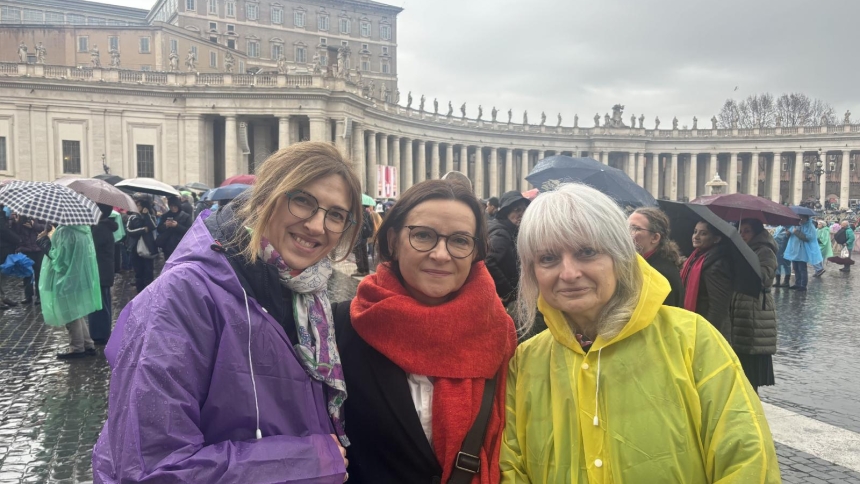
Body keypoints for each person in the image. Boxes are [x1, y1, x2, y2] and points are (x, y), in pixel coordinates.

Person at [93, 142, 360, 483]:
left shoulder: (309, 300)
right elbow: (149, 468)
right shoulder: (180, 298)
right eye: (303, 201)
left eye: (335, 214)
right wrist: (311, 463)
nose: (317, 226)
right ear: (264, 198)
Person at [500, 183, 780, 483]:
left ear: (620, 258)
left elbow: (748, 461)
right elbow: (511, 469)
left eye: (587, 252)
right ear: (532, 272)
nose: (568, 273)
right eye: (548, 258)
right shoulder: (525, 361)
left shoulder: (694, 340)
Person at [334, 179, 516, 483]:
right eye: (423, 235)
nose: (441, 254)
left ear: (475, 251)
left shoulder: (501, 332)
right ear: (392, 240)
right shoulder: (343, 325)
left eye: (460, 240)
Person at [37, 223, 102, 359]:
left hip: (66, 279)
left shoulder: (65, 231)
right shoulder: (83, 229)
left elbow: (59, 259)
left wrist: (43, 241)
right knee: (77, 312)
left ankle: (77, 347)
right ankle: (87, 344)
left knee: (69, 313)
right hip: (79, 277)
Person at [731, 219, 777, 393]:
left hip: (756, 310)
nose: (743, 234)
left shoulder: (765, 251)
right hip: (741, 307)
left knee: (751, 363)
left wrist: (745, 260)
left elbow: (764, 278)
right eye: (740, 231)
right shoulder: (742, 249)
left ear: (757, 233)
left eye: (747, 231)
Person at [680, 220, 734, 342]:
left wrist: (707, 335)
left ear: (716, 239)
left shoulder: (717, 265)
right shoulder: (695, 258)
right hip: (695, 325)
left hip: (709, 332)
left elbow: (718, 307)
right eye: (695, 232)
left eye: (703, 233)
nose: (696, 236)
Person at [628, 207, 684, 307]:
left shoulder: (660, 273)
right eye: (626, 227)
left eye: (635, 228)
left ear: (655, 238)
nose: (627, 233)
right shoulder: (642, 262)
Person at [486, 190, 530, 304]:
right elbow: (488, 261)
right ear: (506, 212)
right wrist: (508, 291)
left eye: (524, 209)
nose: (521, 213)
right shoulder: (502, 233)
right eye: (517, 210)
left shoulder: (507, 228)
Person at [88, 204, 118, 345]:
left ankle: (99, 334)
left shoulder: (100, 228)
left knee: (98, 304)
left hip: (100, 271)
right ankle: (103, 332)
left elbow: (91, 248)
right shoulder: (104, 227)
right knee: (103, 302)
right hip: (104, 270)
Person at [11, 214, 45, 305]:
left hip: (38, 248)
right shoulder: (21, 216)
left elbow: (47, 227)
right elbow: (15, 232)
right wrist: (17, 222)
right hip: (25, 248)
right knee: (26, 273)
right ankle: (28, 296)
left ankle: (39, 296)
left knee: (39, 273)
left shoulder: (41, 214)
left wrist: (34, 225)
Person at [126, 195, 157, 293]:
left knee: (148, 272)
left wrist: (146, 215)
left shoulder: (150, 216)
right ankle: (140, 292)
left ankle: (148, 293)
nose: (137, 207)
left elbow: (153, 226)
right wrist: (143, 230)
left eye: (139, 205)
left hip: (148, 248)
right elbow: (129, 230)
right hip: (135, 248)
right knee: (138, 273)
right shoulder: (132, 217)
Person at [784, 214, 821, 290]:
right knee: (795, 268)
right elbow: (790, 235)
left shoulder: (809, 226)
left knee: (802, 268)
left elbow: (807, 238)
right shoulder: (796, 225)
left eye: (802, 218)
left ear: (806, 218)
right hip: (794, 249)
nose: (800, 220)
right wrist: (788, 233)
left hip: (802, 250)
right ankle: (797, 283)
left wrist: (796, 232)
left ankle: (803, 285)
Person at [155, 196, 193, 260]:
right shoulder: (165, 216)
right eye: (171, 206)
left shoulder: (186, 216)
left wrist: (177, 226)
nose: (173, 208)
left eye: (175, 206)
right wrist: (165, 225)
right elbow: (159, 230)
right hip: (167, 245)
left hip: (180, 245)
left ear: (178, 206)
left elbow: (189, 231)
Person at [0, 206, 21, 309]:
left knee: (2, 274)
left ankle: (2, 297)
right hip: (2, 247)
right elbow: (3, 230)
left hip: (4, 247)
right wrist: (17, 239)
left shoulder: (2, 213)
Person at [351, 199, 374, 277]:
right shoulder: (366, 212)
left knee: (358, 252)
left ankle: (360, 270)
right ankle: (366, 269)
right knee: (364, 252)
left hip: (358, 234)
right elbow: (371, 223)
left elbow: (353, 223)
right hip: (364, 235)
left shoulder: (357, 212)